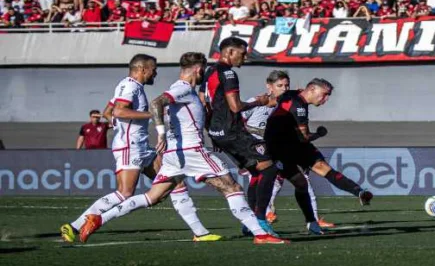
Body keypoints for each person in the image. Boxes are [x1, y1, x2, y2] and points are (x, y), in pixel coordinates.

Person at [78, 52, 282, 244]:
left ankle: (98, 219)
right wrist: (160, 132)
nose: (203, 74)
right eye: (202, 70)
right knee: (233, 187)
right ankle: (260, 233)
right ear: (198, 70)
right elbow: (158, 103)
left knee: (152, 196)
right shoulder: (182, 88)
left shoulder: (186, 91)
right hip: (191, 151)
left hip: (174, 156)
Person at [60, 54, 220, 243]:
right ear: (143, 69)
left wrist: (119, 124)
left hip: (141, 147)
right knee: (125, 192)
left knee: (176, 183)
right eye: (154, 69)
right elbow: (119, 111)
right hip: (130, 146)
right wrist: (150, 114)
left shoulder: (129, 85)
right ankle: (75, 225)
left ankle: (200, 232)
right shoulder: (129, 86)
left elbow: (108, 112)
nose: (156, 73)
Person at [200, 37, 317, 235]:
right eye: (242, 53)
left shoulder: (210, 71)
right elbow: (236, 106)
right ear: (229, 52)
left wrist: (212, 133)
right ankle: (260, 221)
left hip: (218, 132)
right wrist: (260, 102)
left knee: (257, 172)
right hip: (233, 131)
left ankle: (250, 224)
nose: (245, 57)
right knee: (269, 169)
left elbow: (205, 103)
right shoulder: (228, 73)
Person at [264, 78, 373, 235]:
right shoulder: (299, 107)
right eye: (324, 95)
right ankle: (258, 220)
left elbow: (276, 100)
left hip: (293, 143)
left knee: (322, 169)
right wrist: (320, 134)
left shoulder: (293, 95)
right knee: (293, 183)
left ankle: (360, 192)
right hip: (279, 148)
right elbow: (304, 137)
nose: (326, 99)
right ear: (312, 90)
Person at [241, 70, 335, 231]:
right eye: (279, 85)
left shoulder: (289, 103)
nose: (284, 89)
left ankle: (311, 220)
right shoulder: (258, 101)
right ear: (269, 86)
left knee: (294, 181)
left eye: (286, 85)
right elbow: (239, 121)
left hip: (277, 149)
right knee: (259, 181)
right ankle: (255, 221)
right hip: (257, 148)